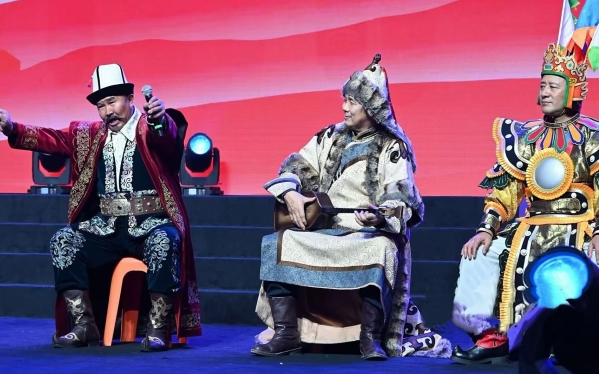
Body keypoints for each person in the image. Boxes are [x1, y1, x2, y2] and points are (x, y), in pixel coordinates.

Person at [0, 63, 201, 351]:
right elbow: (53, 139)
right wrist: (12, 128)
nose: (107, 111)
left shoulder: (149, 128)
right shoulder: (89, 135)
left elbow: (167, 140)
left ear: (130, 98)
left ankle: (158, 327)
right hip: (107, 227)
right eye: (101, 106)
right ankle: (84, 325)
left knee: (165, 240)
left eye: (112, 102)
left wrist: (159, 120)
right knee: (64, 240)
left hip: (150, 223)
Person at [251, 56, 450, 359]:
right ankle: (287, 333)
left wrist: (378, 218)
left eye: (352, 102)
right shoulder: (331, 137)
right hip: (326, 229)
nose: (344, 107)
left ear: (370, 107)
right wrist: (289, 193)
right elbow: (295, 166)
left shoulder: (392, 147)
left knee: (380, 249)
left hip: (365, 233)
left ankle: (369, 338)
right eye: (344, 100)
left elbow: (401, 200)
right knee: (278, 242)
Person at [450, 38, 599, 364]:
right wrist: (487, 229)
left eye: (553, 86)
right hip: (529, 226)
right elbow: (504, 191)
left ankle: (577, 341)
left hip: (583, 226)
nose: (544, 92)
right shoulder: (524, 137)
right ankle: (492, 336)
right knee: (480, 254)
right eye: (542, 85)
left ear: (573, 91)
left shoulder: (593, 136)